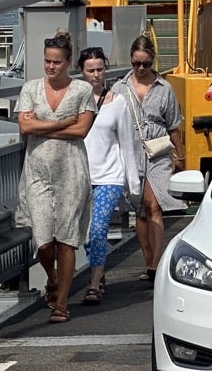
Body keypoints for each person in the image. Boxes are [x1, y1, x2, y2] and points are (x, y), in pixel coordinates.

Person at [15, 31, 96, 324]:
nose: (51, 67)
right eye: (47, 61)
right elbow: (25, 128)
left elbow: (81, 131)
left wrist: (41, 124)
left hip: (71, 171)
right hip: (37, 171)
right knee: (43, 241)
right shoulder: (30, 89)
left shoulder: (82, 91)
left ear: (68, 62)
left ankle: (61, 303)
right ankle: (52, 278)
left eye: (57, 62)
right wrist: (63, 122)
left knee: (66, 239)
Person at [114, 35, 185, 283]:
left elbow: (174, 126)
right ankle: (147, 260)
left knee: (154, 206)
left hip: (158, 152)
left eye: (145, 64)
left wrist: (181, 155)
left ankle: (155, 262)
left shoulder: (164, 89)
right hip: (130, 152)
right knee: (141, 210)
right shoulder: (119, 88)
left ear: (153, 61)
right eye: (136, 64)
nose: (141, 69)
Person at [78, 47, 140, 306]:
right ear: (81, 72)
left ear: (106, 69)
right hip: (81, 174)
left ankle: (93, 285)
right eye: (90, 70)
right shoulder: (75, 101)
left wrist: (132, 181)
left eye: (100, 69)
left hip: (110, 175)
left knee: (99, 227)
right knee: (84, 233)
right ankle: (98, 270)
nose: (96, 75)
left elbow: (127, 142)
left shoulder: (118, 103)